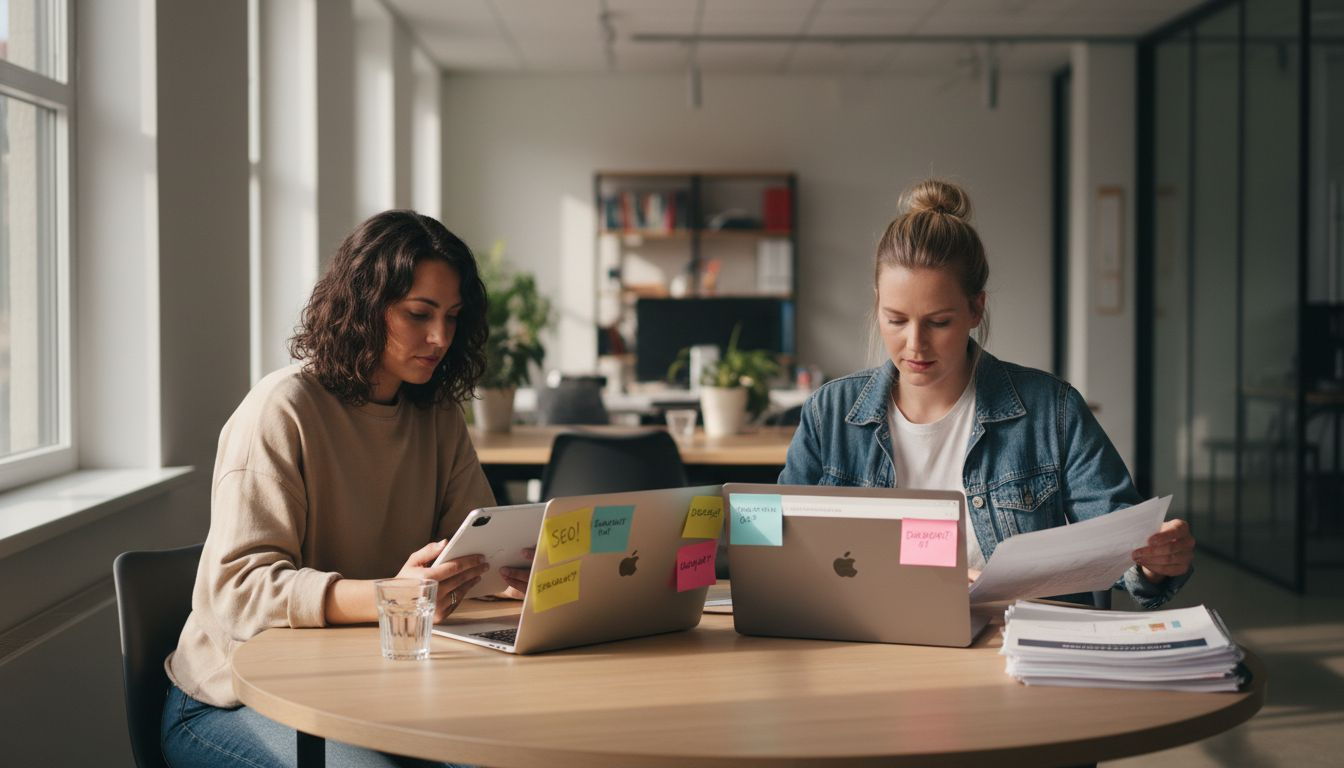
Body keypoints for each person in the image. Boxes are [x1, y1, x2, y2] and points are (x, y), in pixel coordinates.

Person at [162, 211, 530, 767]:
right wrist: (393, 596)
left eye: (452, 318)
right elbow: (239, 592)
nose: (439, 338)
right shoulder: (281, 409)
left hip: (374, 691)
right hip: (234, 700)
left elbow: (474, 549)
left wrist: (518, 579)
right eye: (418, 314)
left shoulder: (436, 416)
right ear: (365, 305)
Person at [778, 179, 1194, 608]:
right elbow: (781, 547)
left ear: (976, 309)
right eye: (896, 320)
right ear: (877, 303)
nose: (915, 344)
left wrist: (1153, 561)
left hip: (1013, 646)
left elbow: (1121, 541)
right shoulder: (829, 413)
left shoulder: (1051, 411)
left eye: (938, 322)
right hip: (867, 638)